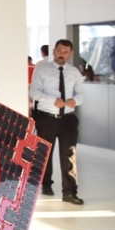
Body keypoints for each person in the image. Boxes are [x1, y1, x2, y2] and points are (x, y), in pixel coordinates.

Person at [29, 39, 85, 204]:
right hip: (47, 118)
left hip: (68, 119)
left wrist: (76, 100)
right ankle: (46, 184)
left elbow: (81, 94)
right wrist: (53, 100)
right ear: (54, 51)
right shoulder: (42, 70)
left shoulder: (74, 72)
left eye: (65, 52)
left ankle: (70, 193)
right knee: (45, 153)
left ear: (70, 54)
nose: (62, 54)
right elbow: (34, 92)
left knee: (69, 155)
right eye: (59, 51)